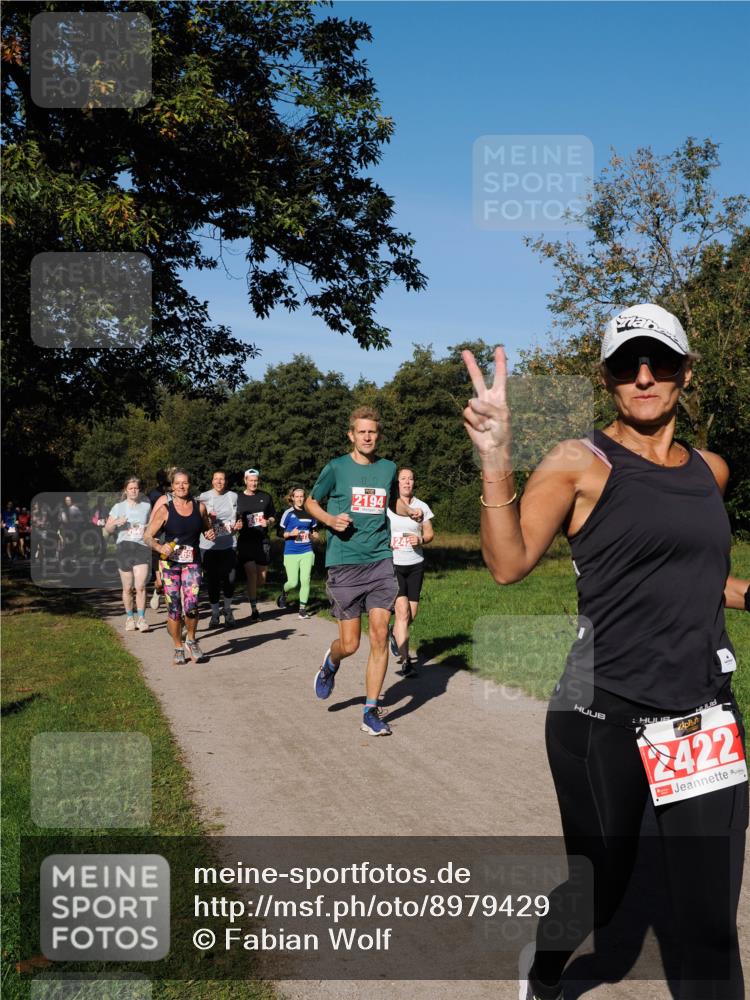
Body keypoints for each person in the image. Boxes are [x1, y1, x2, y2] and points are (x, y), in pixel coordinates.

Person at [462, 303, 749, 1000]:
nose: (643, 377)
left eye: (658, 361)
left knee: (712, 921)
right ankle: (543, 965)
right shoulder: (577, 462)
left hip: (703, 717)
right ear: (608, 378)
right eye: (626, 365)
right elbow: (508, 563)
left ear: (686, 370)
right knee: (602, 889)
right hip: (602, 716)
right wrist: (495, 459)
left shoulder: (709, 470)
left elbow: (700, 577)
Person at [305, 405, 424, 736]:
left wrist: (408, 510)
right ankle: (331, 663)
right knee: (351, 643)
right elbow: (312, 502)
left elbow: (390, 502)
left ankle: (370, 710)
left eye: (372, 431)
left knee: (380, 634)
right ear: (352, 435)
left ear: (377, 435)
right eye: (362, 432)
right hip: (344, 563)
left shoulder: (388, 468)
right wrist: (329, 520)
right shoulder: (336, 468)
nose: (368, 436)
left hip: (380, 561)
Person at [144, 469, 215, 665]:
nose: (181, 486)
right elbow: (147, 536)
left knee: (191, 605)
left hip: (192, 562)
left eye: (185, 483)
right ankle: (177, 647)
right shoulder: (165, 509)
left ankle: (191, 640)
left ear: (189, 485)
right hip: (170, 564)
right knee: (174, 608)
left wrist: (209, 534)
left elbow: (207, 528)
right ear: (172, 487)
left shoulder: (200, 507)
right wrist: (160, 546)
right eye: (177, 483)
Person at [387, 468, 434, 678]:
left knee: (411, 615)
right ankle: (406, 662)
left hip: (416, 565)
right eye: (403, 479)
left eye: (410, 479)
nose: (407, 482)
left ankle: (394, 633)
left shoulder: (421, 506)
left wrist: (421, 539)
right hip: (395, 564)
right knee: (402, 612)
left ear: (414, 483)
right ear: (397, 483)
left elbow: (430, 532)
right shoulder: (389, 506)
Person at [105, 477, 152, 632]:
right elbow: (107, 530)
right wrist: (115, 523)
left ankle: (142, 619)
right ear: (125, 490)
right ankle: (130, 618)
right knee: (127, 588)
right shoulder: (118, 507)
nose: (133, 491)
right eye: (130, 488)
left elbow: (151, 526)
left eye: (136, 488)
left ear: (139, 490)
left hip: (141, 547)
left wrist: (151, 533)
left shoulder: (146, 507)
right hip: (123, 548)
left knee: (141, 586)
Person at [199, 470, 239, 627]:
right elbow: (197, 517)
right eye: (216, 479)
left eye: (222, 479)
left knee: (230, 579)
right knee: (213, 581)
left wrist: (237, 525)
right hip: (209, 547)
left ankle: (227, 610)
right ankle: (215, 613)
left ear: (226, 481)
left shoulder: (233, 496)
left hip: (229, 544)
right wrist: (206, 524)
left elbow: (237, 517)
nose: (219, 482)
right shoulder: (204, 496)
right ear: (212, 481)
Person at [236, 468, 276, 622]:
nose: (253, 483)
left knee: (262, 579)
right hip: (245, 540)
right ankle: (254, 609)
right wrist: (236, 524)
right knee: (251, 572)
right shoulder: (238, 498)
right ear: (245, 480)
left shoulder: (265, 497)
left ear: (258, 481)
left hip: (262, 540)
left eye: (255, 480)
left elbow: (273, 515)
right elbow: (233, 517)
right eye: (250, 480)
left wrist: (269, 521)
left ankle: (253, 592)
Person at [277, 486, 319, 619]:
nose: (300, 499)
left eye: (302, 496)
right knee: (293, 582)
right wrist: (290, 533)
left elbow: (314, 530)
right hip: (291, 552)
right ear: (292, 498)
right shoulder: (288, 513)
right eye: (297, 496)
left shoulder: (310, 513)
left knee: (305, 580)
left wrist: (315, 535)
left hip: (307, 550)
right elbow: (279, 532)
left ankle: (302, 609)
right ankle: (284, 592)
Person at [147, 470, 170, 611]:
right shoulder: (153, 495)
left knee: (170, 579)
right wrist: (151, 533)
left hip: (171, 539)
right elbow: (149, 515)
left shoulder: (178, 494)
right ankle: (157, 591)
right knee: (160, 582)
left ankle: (173, 611)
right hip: (157, 539)